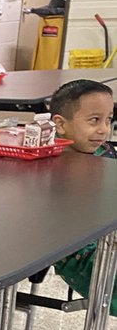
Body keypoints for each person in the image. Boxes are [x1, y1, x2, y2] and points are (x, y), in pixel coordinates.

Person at [50, 79, 117, 314]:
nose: (104, 129)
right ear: (60, 124)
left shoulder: (105, 153)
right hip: (80, 252)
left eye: (108, 119)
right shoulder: (48, 165)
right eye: (94, 120)